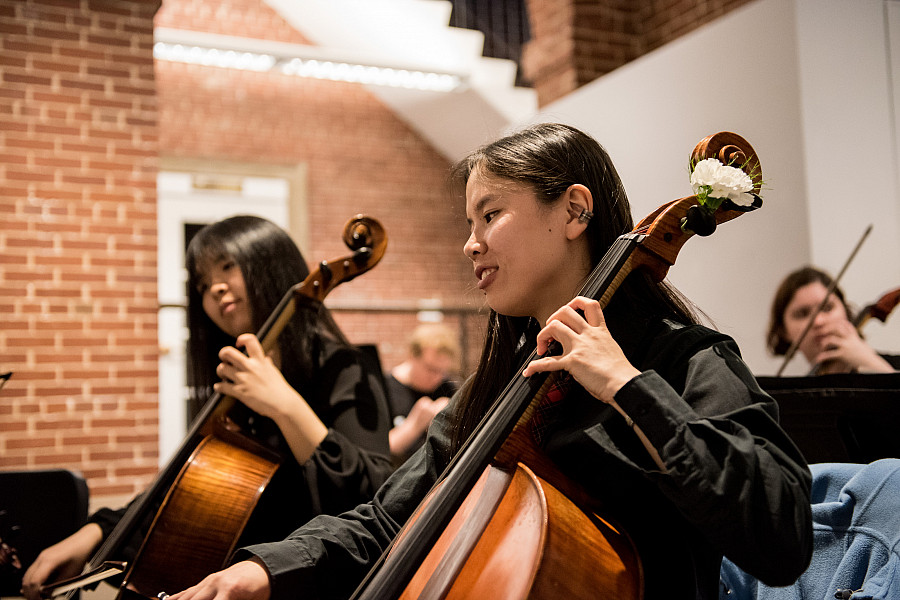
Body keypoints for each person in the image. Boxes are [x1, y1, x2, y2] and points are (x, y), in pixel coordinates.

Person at [167, 123, 813, 600]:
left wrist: (626, 385)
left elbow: (781, 537)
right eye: (469, 220)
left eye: (491, 214)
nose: (470, 243)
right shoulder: (496, 390)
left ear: (574, 210)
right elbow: (390, 517)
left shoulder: (684, 359)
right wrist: (260, 570)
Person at [21, 216, 394, 600]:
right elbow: (182, 492)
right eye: (202, 283)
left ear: (271, 263)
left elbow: (376, 500)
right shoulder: (232, 386)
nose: (215, 288)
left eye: (228, 266)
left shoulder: (345, 369)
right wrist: (96, 533)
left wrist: (285, 406)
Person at [767, 266, 898, 374]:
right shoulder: (792, 399)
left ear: (845, 311)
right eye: (802, 314)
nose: (818, 321)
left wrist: (870, 363)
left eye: (827, 308)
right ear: (784, 331)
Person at [385, 322, 460, 463]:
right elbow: (382, 449)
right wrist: (415, 424)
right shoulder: (387, 387)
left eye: (442, 371)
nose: (437, 378)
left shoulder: (448, 388)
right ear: (412, 356)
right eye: (431, 369)